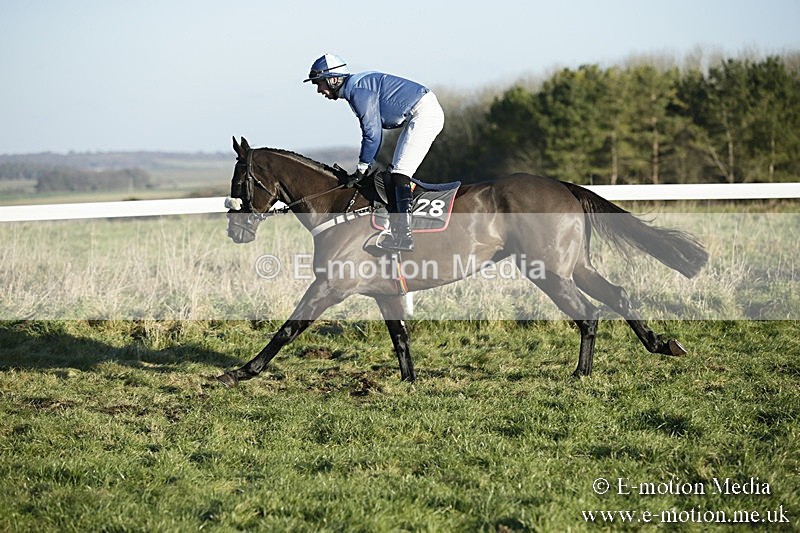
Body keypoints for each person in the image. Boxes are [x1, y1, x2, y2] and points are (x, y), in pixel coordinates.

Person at [304, 53, 444, 252]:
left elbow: (372, 133)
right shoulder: (355, 87)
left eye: (319, 83)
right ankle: (398, 229)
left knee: (400, 174)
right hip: (421, 110)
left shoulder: (357, 90)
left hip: (424, 113)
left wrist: (361, 168)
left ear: (333, 80)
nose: (319, 89)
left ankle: (403, 236)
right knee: (393, 174)